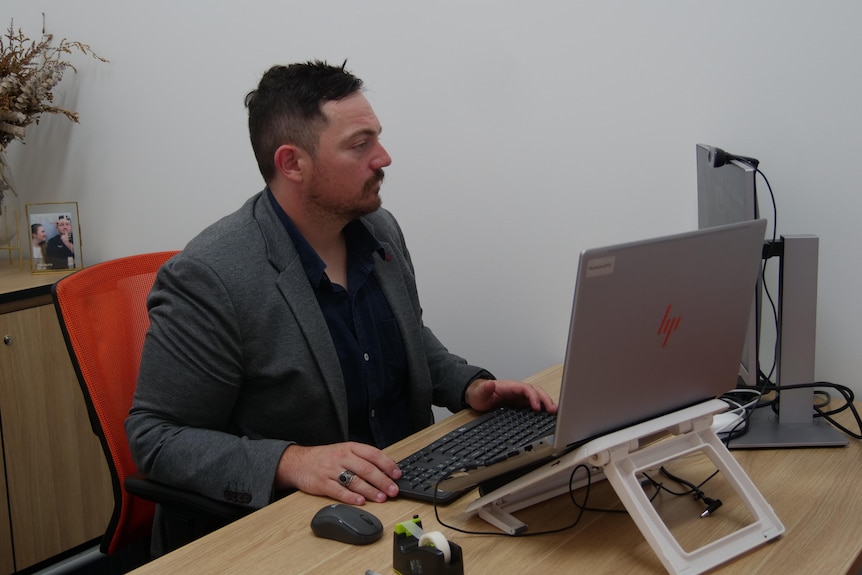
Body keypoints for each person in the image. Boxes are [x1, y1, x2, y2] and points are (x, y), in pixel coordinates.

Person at [126, 61, 555, 528]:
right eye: (360, 145)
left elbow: (408, 337)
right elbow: (156, 438)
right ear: (292, 163)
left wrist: (470, 385)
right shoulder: (211, 276)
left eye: (377, 137)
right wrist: (293, 461)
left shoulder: (378, 229)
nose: (384, 157)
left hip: (410, 491)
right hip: (295, 523)